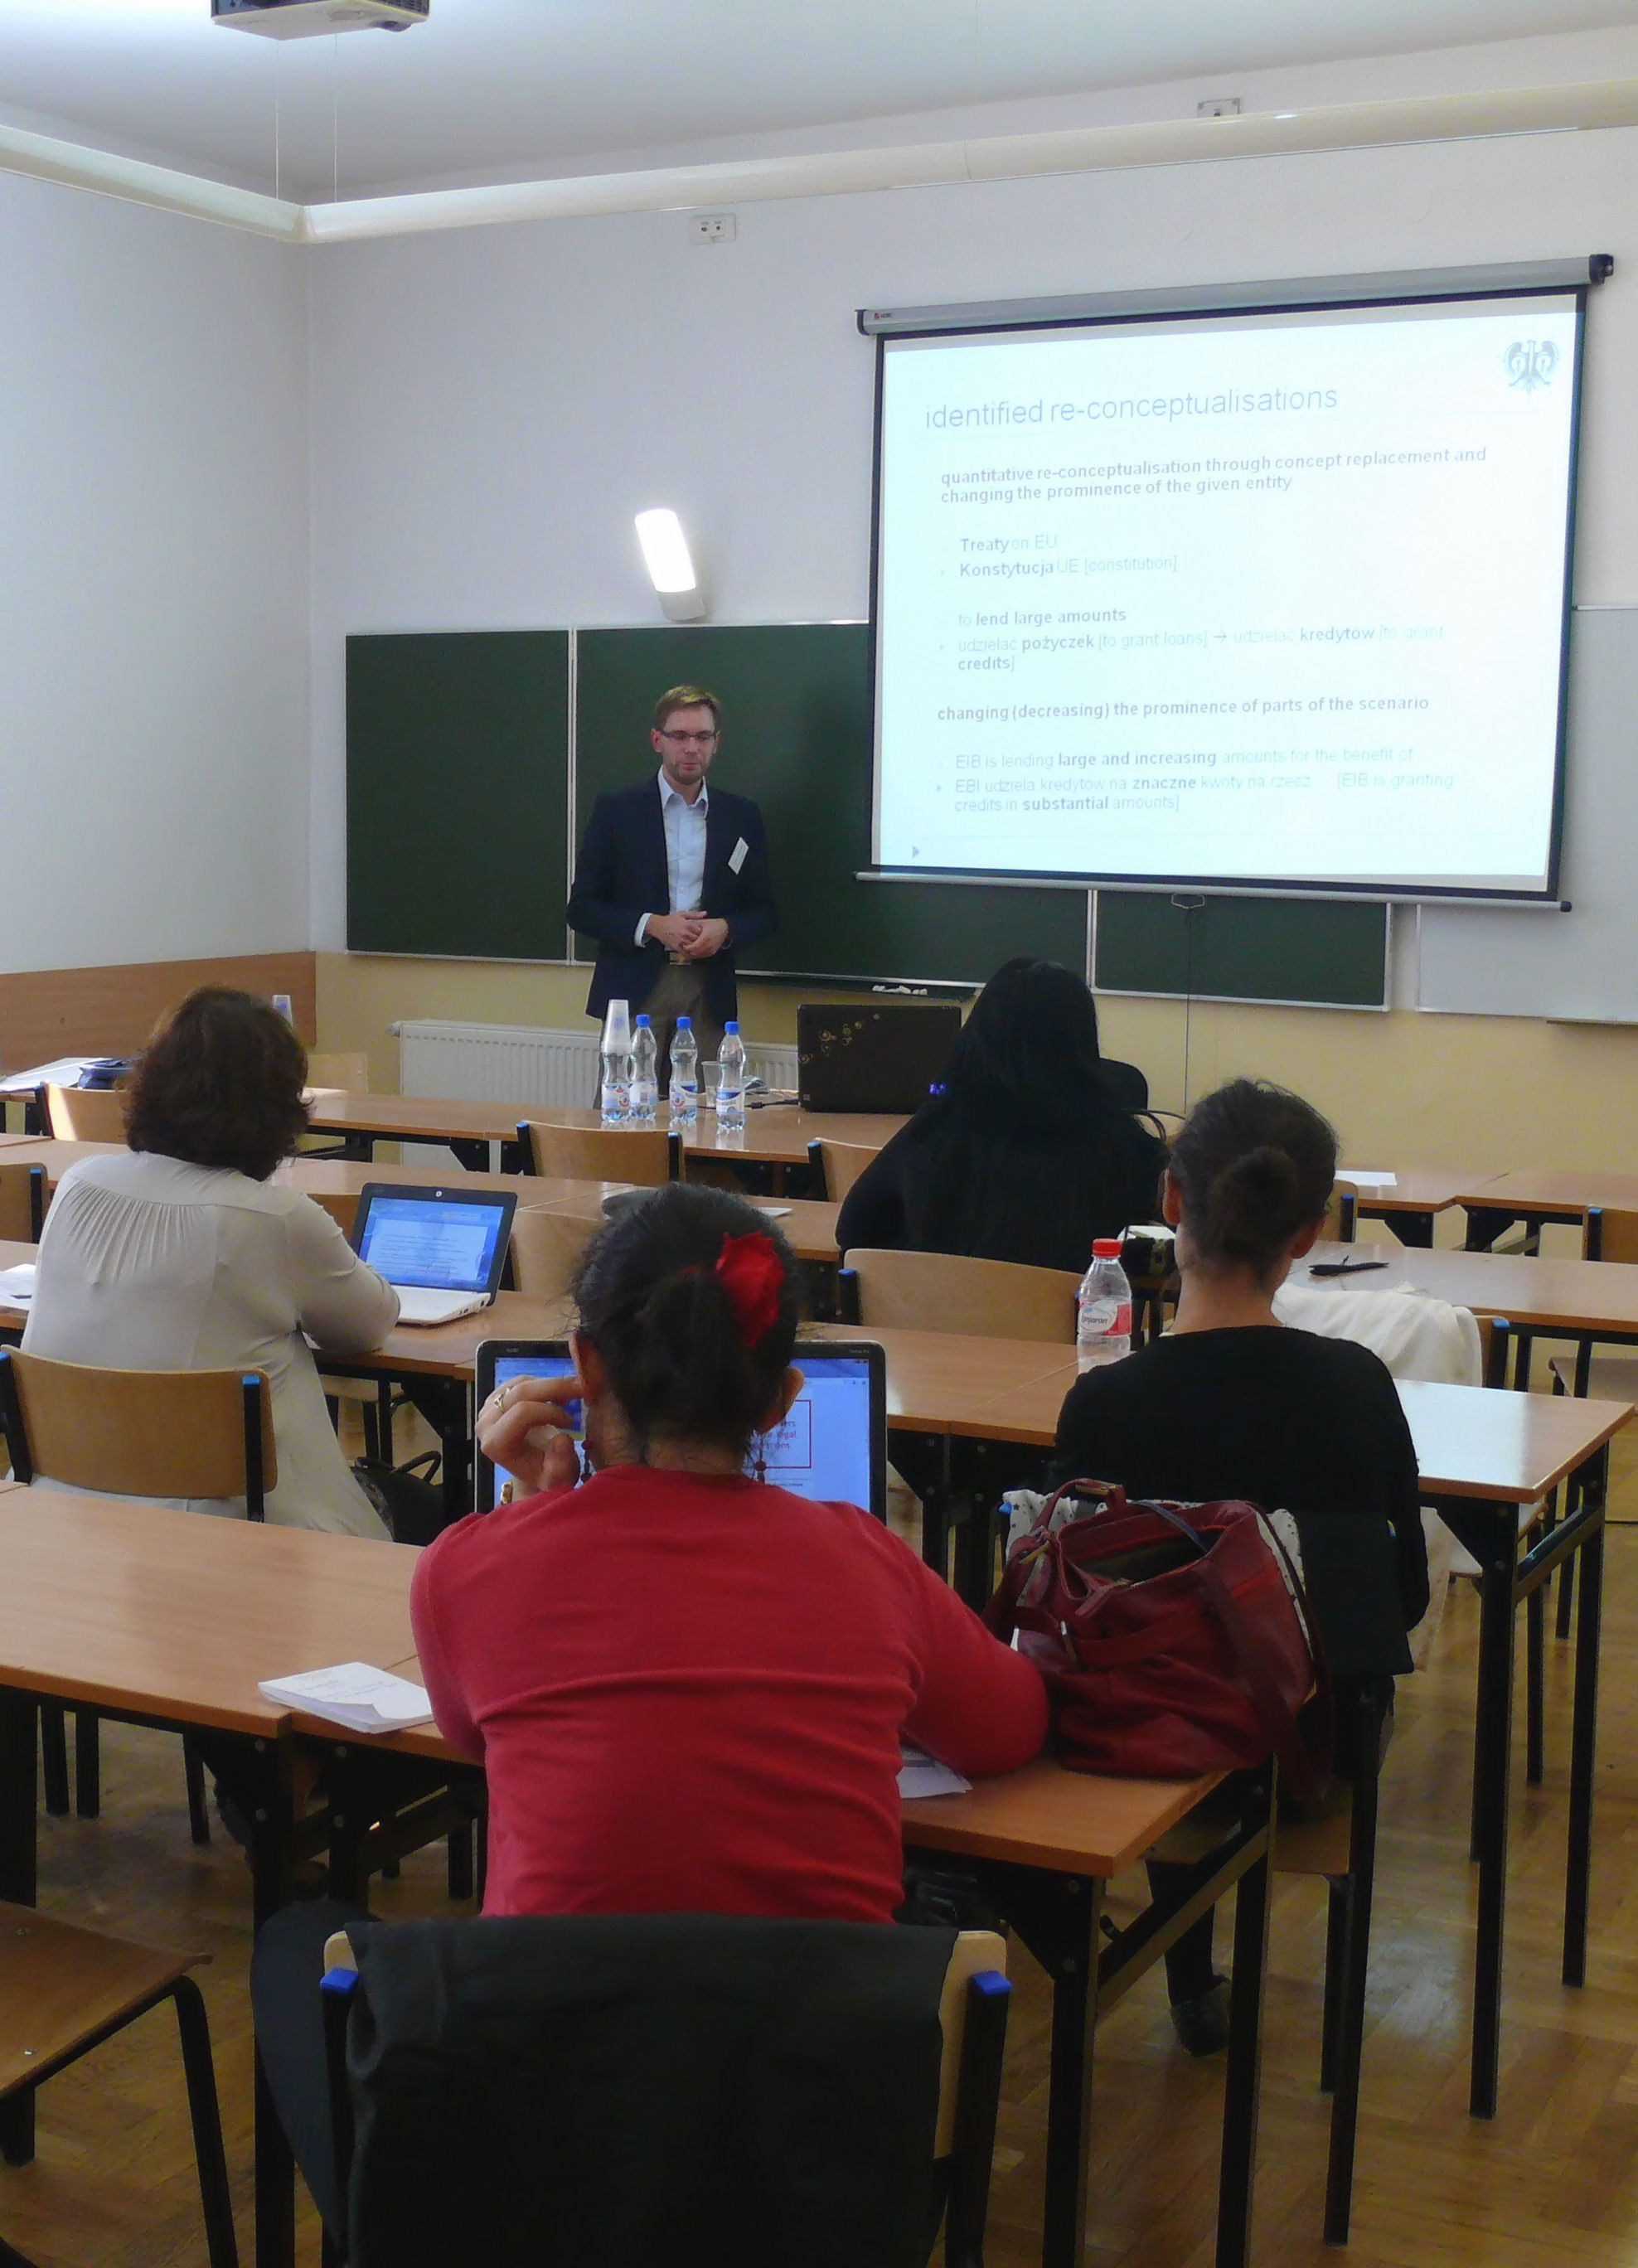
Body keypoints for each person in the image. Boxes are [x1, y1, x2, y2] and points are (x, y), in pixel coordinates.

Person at [252, 1184, 1045, 2236]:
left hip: (539, 2133)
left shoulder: (468, 1568)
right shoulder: (868, 1563)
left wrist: (525, 1516)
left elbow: (473, 1734)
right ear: (783, 1398)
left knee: (298, 1943)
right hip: (814, 2151)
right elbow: (1009, 1730)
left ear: (583, 1367)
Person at [1053, 1076, 1428, 2053]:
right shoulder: (1354, 1388)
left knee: (1165, 1647)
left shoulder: (1104, 1404)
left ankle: (1182, 1975)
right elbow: (1402, 1600)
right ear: (1307, 1234)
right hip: (1305, 1762)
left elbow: (1064, 1608)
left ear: (1169, 1200)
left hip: (1132, 1749)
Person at [23, 986, 398, 1539]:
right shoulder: (276, 1218)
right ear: (279, 1108)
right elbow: (368, 1325)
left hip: (66, 1516)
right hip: (234, 1530)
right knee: (421, 1508)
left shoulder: (79, 1184)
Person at [836, 957, 1168, 1272]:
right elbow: (1181, 1227)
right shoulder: (1121, 1145)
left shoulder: (936, 1131)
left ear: (977, 1037)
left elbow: (853, 1230)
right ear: (1081, 1042)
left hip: (940, 1313)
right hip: (1064, 1314)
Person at [566, 685, 778, 1078]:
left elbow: (764, 911)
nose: (691, 748)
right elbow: (582, 908)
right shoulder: (617, 811)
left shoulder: (741, 816)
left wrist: (726, 929)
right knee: (626, 1108)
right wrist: (653, 925)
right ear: (657, 740)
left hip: (708, 990)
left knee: (708, 1108)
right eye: (679, 736)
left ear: (716, 743)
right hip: (635, 987)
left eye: (702, 737)